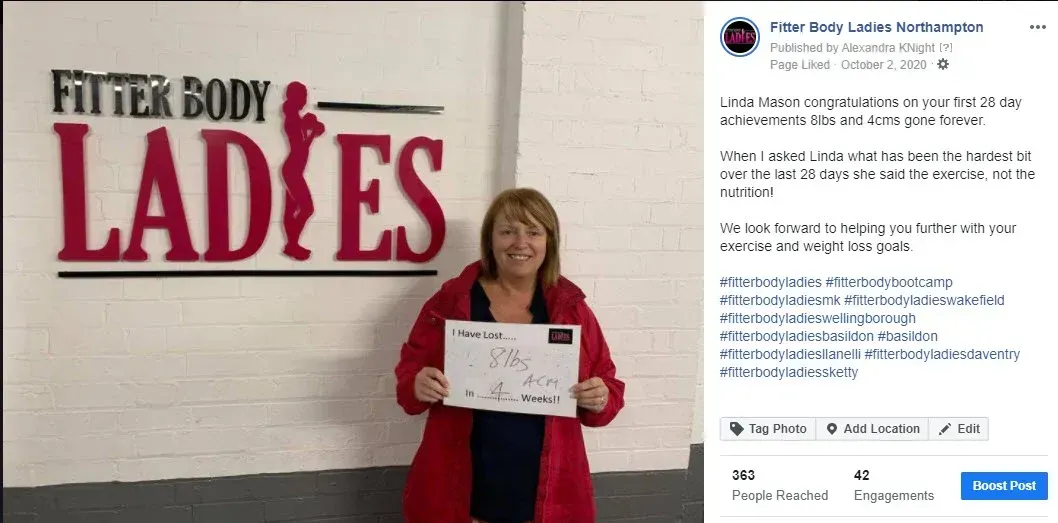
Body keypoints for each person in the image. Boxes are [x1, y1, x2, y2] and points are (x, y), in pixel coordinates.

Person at [394, 188, 625, 523]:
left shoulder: (570, 308)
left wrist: (600, 397)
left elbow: (608, 387)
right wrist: (417, 384)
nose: (520, 243)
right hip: (461, 492)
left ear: (549, 242)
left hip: (546, 496)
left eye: (533, 232)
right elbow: (409, 375)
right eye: (507, 231)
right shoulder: (452, 301)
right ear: (490, 240)